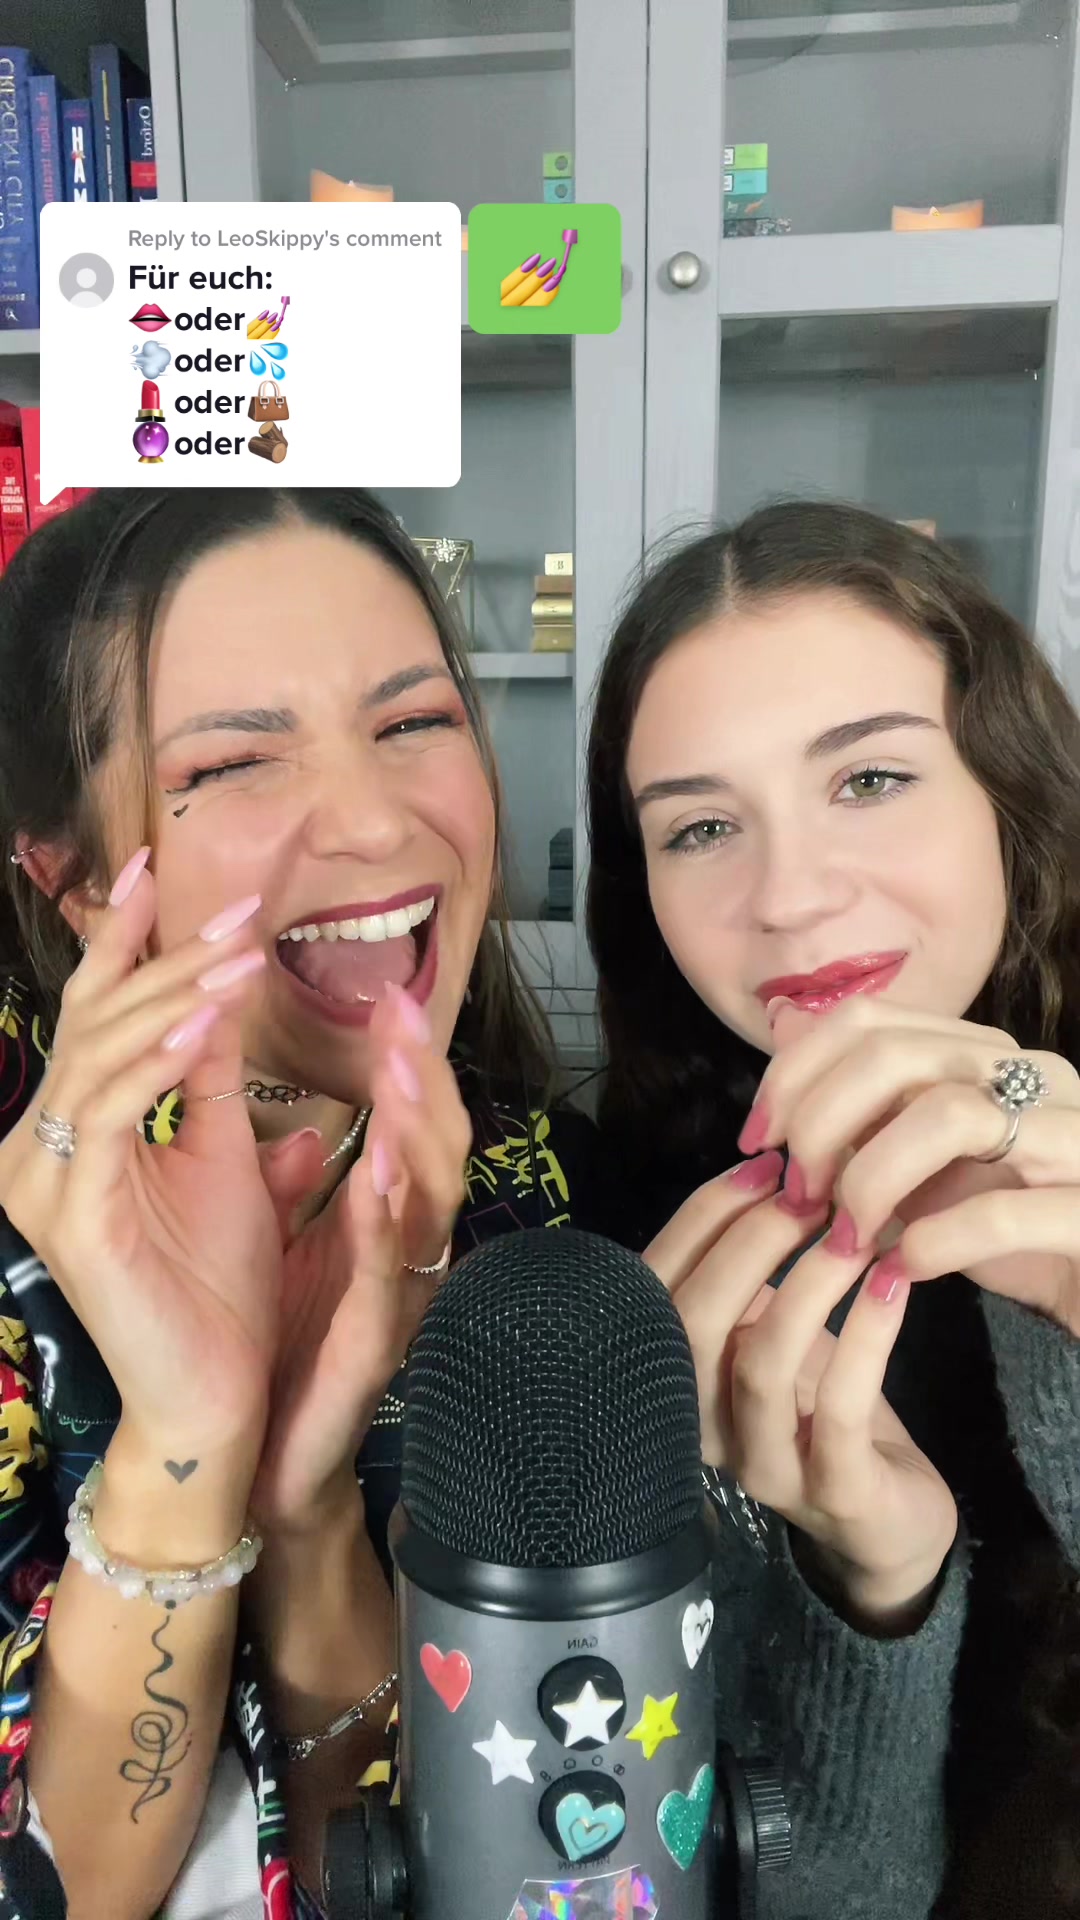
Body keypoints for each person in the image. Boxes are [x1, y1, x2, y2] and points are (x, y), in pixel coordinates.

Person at [0, 488, 595, 1920]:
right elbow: (67, 1893)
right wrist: (185, 1440)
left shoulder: (560, 1218)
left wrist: (307, 1510)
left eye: (415, 722)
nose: (379, 821)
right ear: (75, 881)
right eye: (235, 762)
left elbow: (483, 1862)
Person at [585, 500, 1080, 1920]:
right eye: (702, 827)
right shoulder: (644, 1259)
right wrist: (872, 1587)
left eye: (869, 778)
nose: (790, 899)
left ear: (1010, 789)